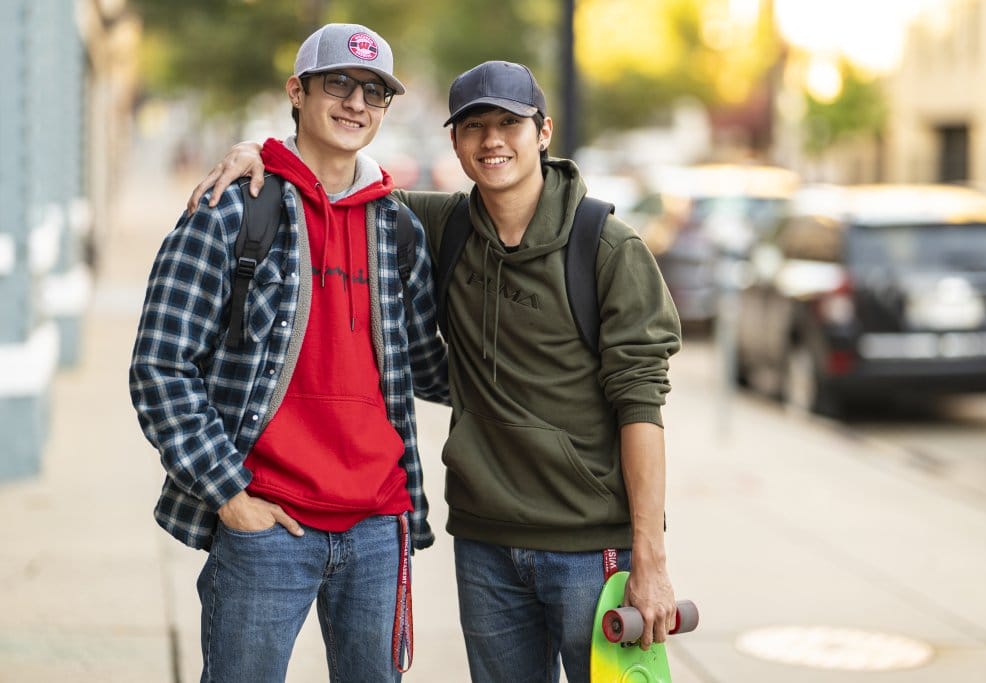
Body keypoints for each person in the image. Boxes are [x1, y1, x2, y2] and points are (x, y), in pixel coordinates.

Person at [189, 60, 682, 683]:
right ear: (455, 141)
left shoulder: (608, 248)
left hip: (591, 549)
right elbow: (333, 181)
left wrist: (651, 559)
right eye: (475, 126)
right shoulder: (439, 226)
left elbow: (642, 406)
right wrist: (257, 153)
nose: (493, 140)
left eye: (510, 123)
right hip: (485, 542)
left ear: (544, 131)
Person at [130, 23, 447, 682]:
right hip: (266, 523)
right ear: (296, 91)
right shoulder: (231, 209)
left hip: (378, 524)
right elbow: (159, 365)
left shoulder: (398, 226)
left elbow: (430, 367)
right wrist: (229, 496)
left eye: (374, 92)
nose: (357, 103)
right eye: (339, 84)